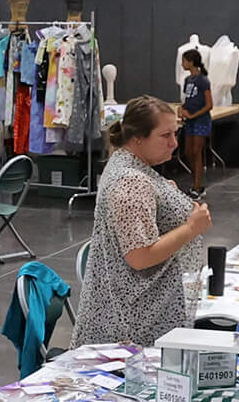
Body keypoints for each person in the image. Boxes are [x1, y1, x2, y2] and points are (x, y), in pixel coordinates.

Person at [76, 97, 213, 347]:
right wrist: (191, 228)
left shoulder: (131, 169)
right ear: (138, 137)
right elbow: (140, 257)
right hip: (132, 326)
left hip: (135, 313)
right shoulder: (131, 181)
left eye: (176, 133)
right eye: (165, 136)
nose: (174, 143)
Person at [179, 47, 214, 191]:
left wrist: (193, 115)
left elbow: (209, 104)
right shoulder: (188, 80)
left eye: (184, 61)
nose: (182, 64)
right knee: (188, 151)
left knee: (196, 151)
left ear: (191, 62)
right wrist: (182, 109)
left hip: (200, 120)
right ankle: (195, 179)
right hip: (190, 120)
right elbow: (188, 98)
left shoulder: (203, 80)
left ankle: (197, 185)